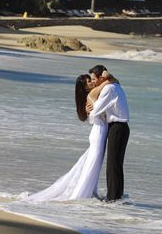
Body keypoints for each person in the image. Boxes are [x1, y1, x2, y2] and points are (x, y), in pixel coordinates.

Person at [25, 74, 111, 202]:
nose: (92, 82)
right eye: (89, 81)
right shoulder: (91, 96)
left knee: (92, 164)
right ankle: (82, 193)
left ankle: (89, 191)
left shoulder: (90, 97)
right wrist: (110, 79)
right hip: (98, 133)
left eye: (92, 80)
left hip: (99, 132)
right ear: (84, 87)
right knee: (92, 164)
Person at [86, 65, 130, 202]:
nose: (93, 82)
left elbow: (97, 109)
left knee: (112, 164)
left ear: (101, 78)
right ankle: (117, 196)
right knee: (116, 163)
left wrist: (89, 111)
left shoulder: (108, 89)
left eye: (94, 79)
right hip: (121, 128)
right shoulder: (114, 86)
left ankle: (112, 198)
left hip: (117, 127)